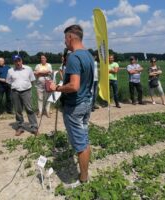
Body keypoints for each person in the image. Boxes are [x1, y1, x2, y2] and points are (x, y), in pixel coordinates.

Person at [50, 24, 94, 185]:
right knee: (84, 138)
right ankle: (85, 172)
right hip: (86, 102)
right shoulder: (89, 55)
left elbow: (74, 86)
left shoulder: (75, 57)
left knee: (80, 144)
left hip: (74, 106)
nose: (64, 42)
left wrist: (57, 88)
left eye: (65, 38)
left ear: (70, 37)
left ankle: (83, 178)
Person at [6, 55, 38, 136]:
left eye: (19, 60)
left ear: (21, 60)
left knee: (29, 109)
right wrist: (15, 87)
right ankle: (20, 127)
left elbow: (32, 80)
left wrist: (30, 88)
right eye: (16, 61)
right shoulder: (10, 71)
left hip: (26, 91)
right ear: (13, 62)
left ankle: (34, 127)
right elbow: (8, 82)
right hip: (15, 92)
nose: (18, 62)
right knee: (18, 111)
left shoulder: (28, 69)